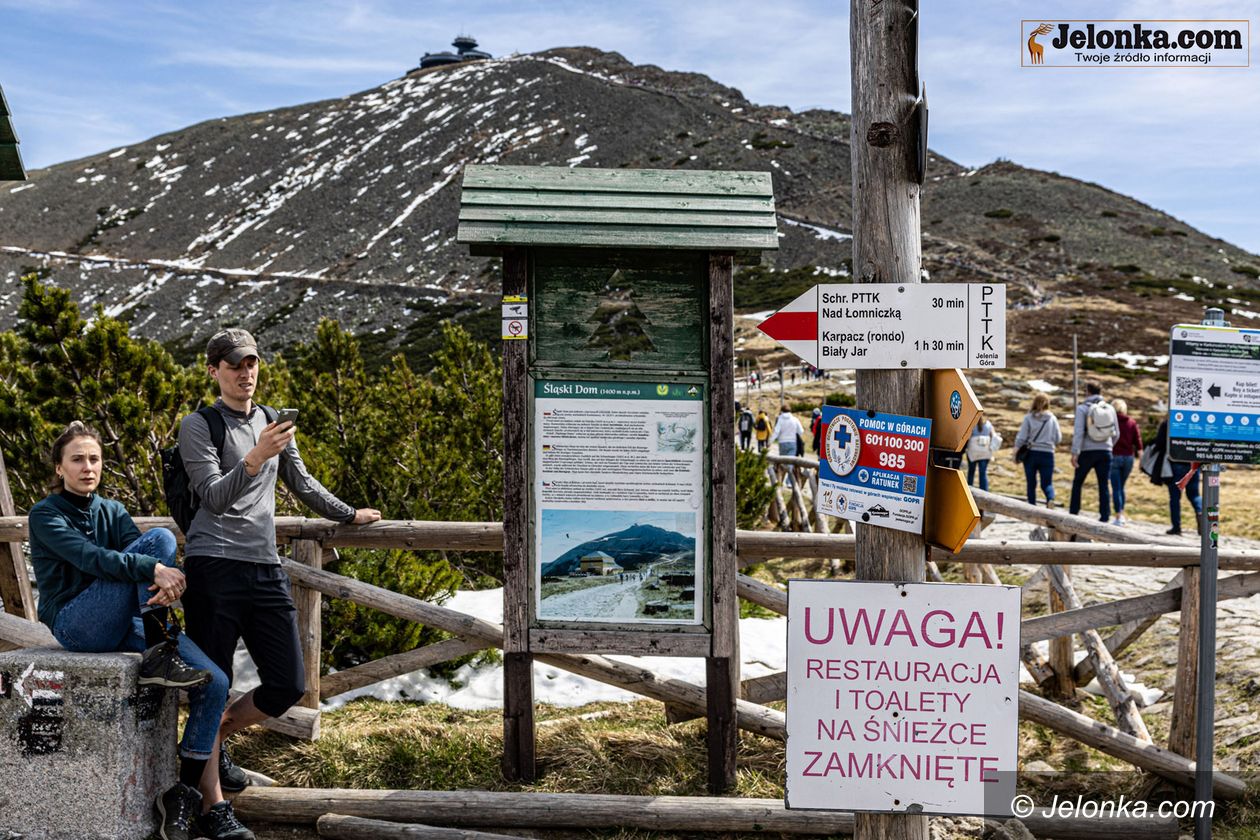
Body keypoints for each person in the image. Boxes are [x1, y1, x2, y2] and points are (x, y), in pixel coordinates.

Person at [178, 329, 382, 840]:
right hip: (213, 567)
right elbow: (212, 497)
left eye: (251, 364)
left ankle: (219, 733)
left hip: (264, 567)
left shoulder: (272, 420)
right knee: (211, 686)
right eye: (233, 365)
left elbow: (302, 482)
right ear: (213, 371)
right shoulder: (198, 426)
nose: (245, 373)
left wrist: (348, 514)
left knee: (288, 683)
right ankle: (214, 811)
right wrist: (255, 457)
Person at [28, 422, 231, 840]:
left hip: (127, 622)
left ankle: (184, 796)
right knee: (157, 540)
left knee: (215, 682)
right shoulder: (45, 514)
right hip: (78, 624)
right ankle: (160, 650)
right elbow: (91, 559)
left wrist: (162, 578)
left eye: (95, 459)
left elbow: (139, 562)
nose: (88, 468)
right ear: (60, 467)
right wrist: (158, 570)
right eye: (78, 460)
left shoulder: (113, 511)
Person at [1070, 382, 1118, 522]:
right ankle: (1105, 515)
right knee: (1103, 484)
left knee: (1078, 482)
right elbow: (1116, 433)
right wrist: (1109, 446)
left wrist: (1075, 452)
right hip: (1105, 451)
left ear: (1088, 391)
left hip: (1087, 451)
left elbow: (1078, 432)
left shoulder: (1082, 409)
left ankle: (1074, 512)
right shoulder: (1110, 408)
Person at [1148, 418, 1201, 535]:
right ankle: (1200, 512)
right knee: (1194, 495)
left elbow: (1160, 442)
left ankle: (1176, 527)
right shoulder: (1196, 420)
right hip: (1193, 464)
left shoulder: (1168, 422)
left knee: (1175, 497)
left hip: (1175, 463)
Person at [1014, 393, 1062, 507]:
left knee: (1031, 483)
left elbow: (1022, 437)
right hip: (1048, 454)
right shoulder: (1053, 419)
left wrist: (1015, 452)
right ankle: (1050, 499)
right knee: (1047, 483)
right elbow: (1058, 438)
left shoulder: (1028, 418)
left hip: (1031, 453)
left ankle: (1031, 506)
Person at [1109, 399, 1142, 525]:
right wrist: (1141, 461)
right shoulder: (1132, 422)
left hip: (1114, 456)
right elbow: (1138, 443)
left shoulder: (1111, 421)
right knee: (1121, 486)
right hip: (1128, 458)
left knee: (1116, 487)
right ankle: (1121, 513)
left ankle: (1118, 515)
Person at [965, 411, 996, 492]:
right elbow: (993, 436)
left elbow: (967, 437)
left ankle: (969, 490)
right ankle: (984, 491)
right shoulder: (989, 425)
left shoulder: (972, 425)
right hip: (985, 452)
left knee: (971, 471)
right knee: (983, 472)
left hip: (973, 452)